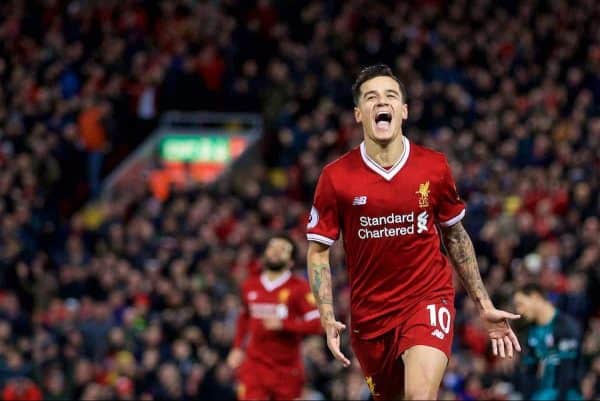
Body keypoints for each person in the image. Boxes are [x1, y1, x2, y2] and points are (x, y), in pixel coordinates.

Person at [306, 64, 522, 400]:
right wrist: (327, 314)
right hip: (370, 317)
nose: (382, 103)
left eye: (391, 96)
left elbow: (455, 235)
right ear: (358, 113)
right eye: (371, 97)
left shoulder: (433, 167)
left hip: (427, 298)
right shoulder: (336, 178)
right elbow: (318, 250)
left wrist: (483, 303)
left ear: (403, 111)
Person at [227, 234, 322, 400]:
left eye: (283, 249)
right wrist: (237, 347)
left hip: (286, 368)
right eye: (272, 247)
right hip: (254, 365)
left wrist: (285, 324)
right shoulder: (250, 285)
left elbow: (318, 324)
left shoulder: (300, 288)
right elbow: (244, 318)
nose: (276, 252)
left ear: (291, 261)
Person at [513, 283, 583, 400]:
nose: (519, 311)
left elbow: (568, 373)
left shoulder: (566, 327)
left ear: (536, 297)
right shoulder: (530, 331)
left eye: (521, 304)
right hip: (542, 394)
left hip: (567, 396)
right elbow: (529, 372)